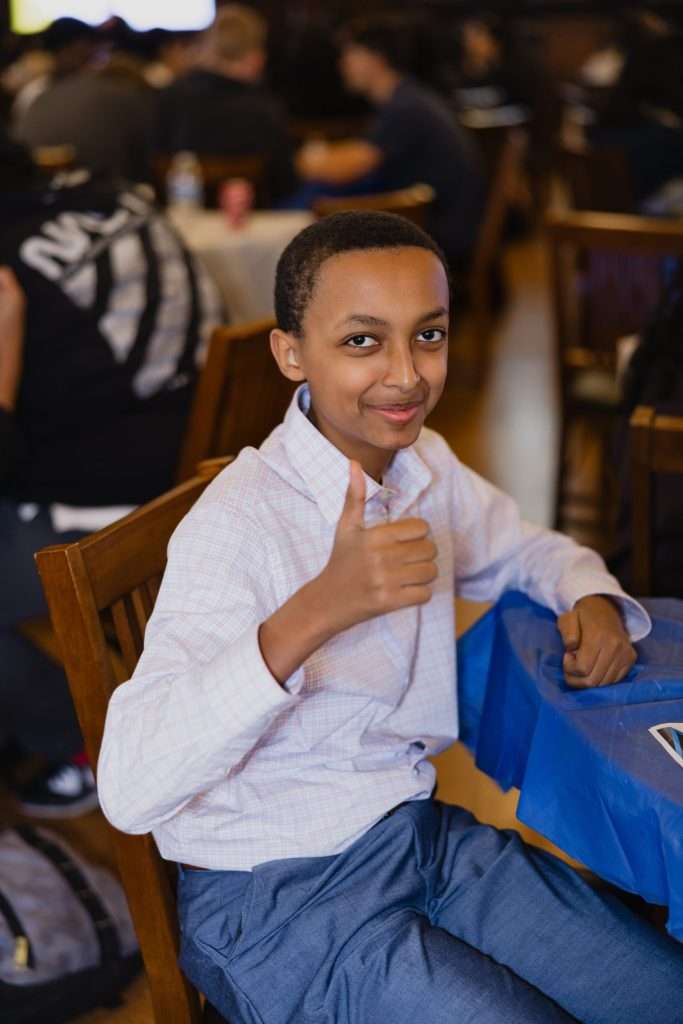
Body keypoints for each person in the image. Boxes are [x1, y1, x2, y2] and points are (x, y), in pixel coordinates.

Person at [98, 211, 683, 1023]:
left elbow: (520, 548)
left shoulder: (421, 464)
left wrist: (589, 594)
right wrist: (314, 612)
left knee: (659, 994)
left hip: (416, 837)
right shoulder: (239, 525)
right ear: (290, 353)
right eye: (362, 341)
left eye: (429, 335)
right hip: (277, 898)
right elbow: (129, 788)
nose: (406, 375)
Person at [0, 133, 222, 817]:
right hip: (198, 480)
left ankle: (83, 746)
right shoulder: (116, 195)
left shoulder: (10, 272)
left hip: (113, 517)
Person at [296, 14, 485, 268]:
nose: (342, 64)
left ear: (376, 58)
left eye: (350, 54)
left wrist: (303, 162)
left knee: (317, 215)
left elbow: (356, 162)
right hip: (435, 222)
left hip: (440, 235)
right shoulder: (408, 97)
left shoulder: (406, 107)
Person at [155, 4, 297, 204]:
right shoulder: (265, 108)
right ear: (254, 54)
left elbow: (153, 165)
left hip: (184, 217)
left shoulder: (171, 96)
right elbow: (285, 183)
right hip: (254, 221)